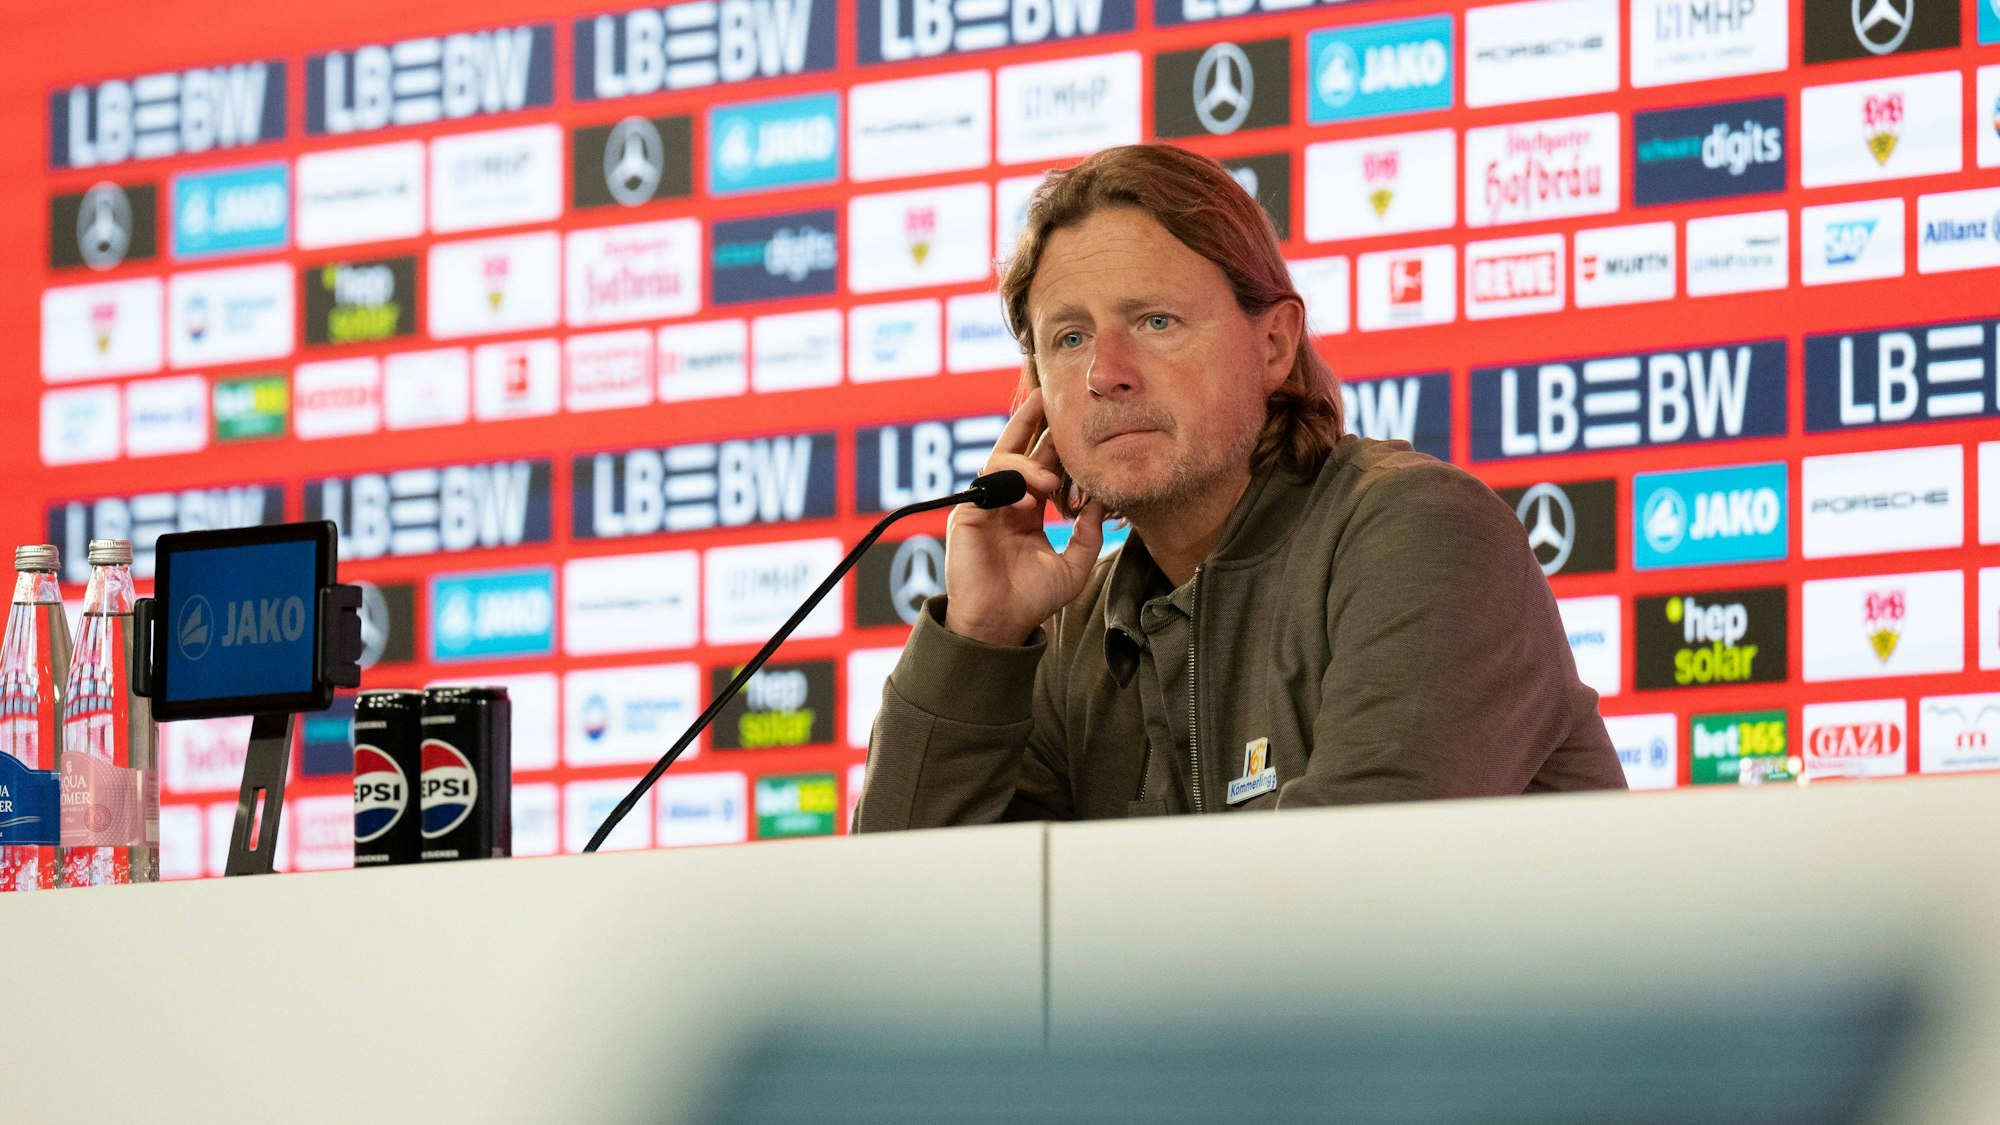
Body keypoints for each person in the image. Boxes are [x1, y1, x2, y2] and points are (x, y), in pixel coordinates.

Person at [854, 143, 1624, 830]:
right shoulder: (1069, 634)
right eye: (1070, 337)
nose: (1104, 373)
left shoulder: (1424, 535)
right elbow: (901, 915)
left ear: (1275, 344)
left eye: (1155, 321)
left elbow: (1354, 898)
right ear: (1035, 396)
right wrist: (977, 641)